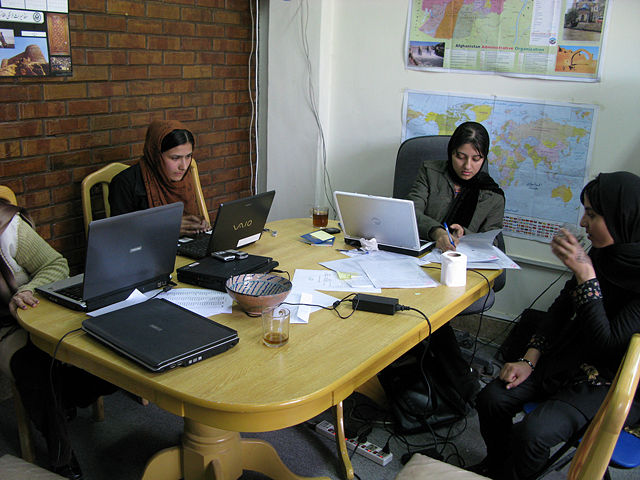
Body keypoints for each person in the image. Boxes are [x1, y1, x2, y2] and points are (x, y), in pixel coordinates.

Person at [472, 171, 640, 480]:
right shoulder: (602, 253)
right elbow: (561, 308)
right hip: (567, 358)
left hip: (607, 382)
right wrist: (529, 357)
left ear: (621, 217)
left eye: (592, 214)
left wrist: (586, 276)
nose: (584, 222)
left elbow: (606, 344)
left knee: (532, 434)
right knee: (492, 399)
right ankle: (498, 467)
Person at [0, 197, 116, 479]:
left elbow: (55, 264)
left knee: (106, 347)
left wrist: (26, 292)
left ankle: (65, 396)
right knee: (33, 367)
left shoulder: (6, 226)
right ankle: (62, 457)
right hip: (3, 326)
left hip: (35, 307)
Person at [407, 121, 505, 252]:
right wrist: (437, 232)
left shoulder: (493, 195)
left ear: (484, 158)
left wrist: (465, 234)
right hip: (423, 253)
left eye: (476, 159)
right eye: (460, 157)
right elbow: (411, 213)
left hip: (463, 261)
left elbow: (493, 241)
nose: (467, 166)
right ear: (451, 152)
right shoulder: (429, 172)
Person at [109, 119, 211, 236]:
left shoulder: (185, 180)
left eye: (188, 156)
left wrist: (199, 224)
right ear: (156, 155)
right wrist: (167, 227)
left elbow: (190, 220)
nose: (183, 166)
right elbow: (120, 233)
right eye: (175, 158)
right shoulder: (125, 183)